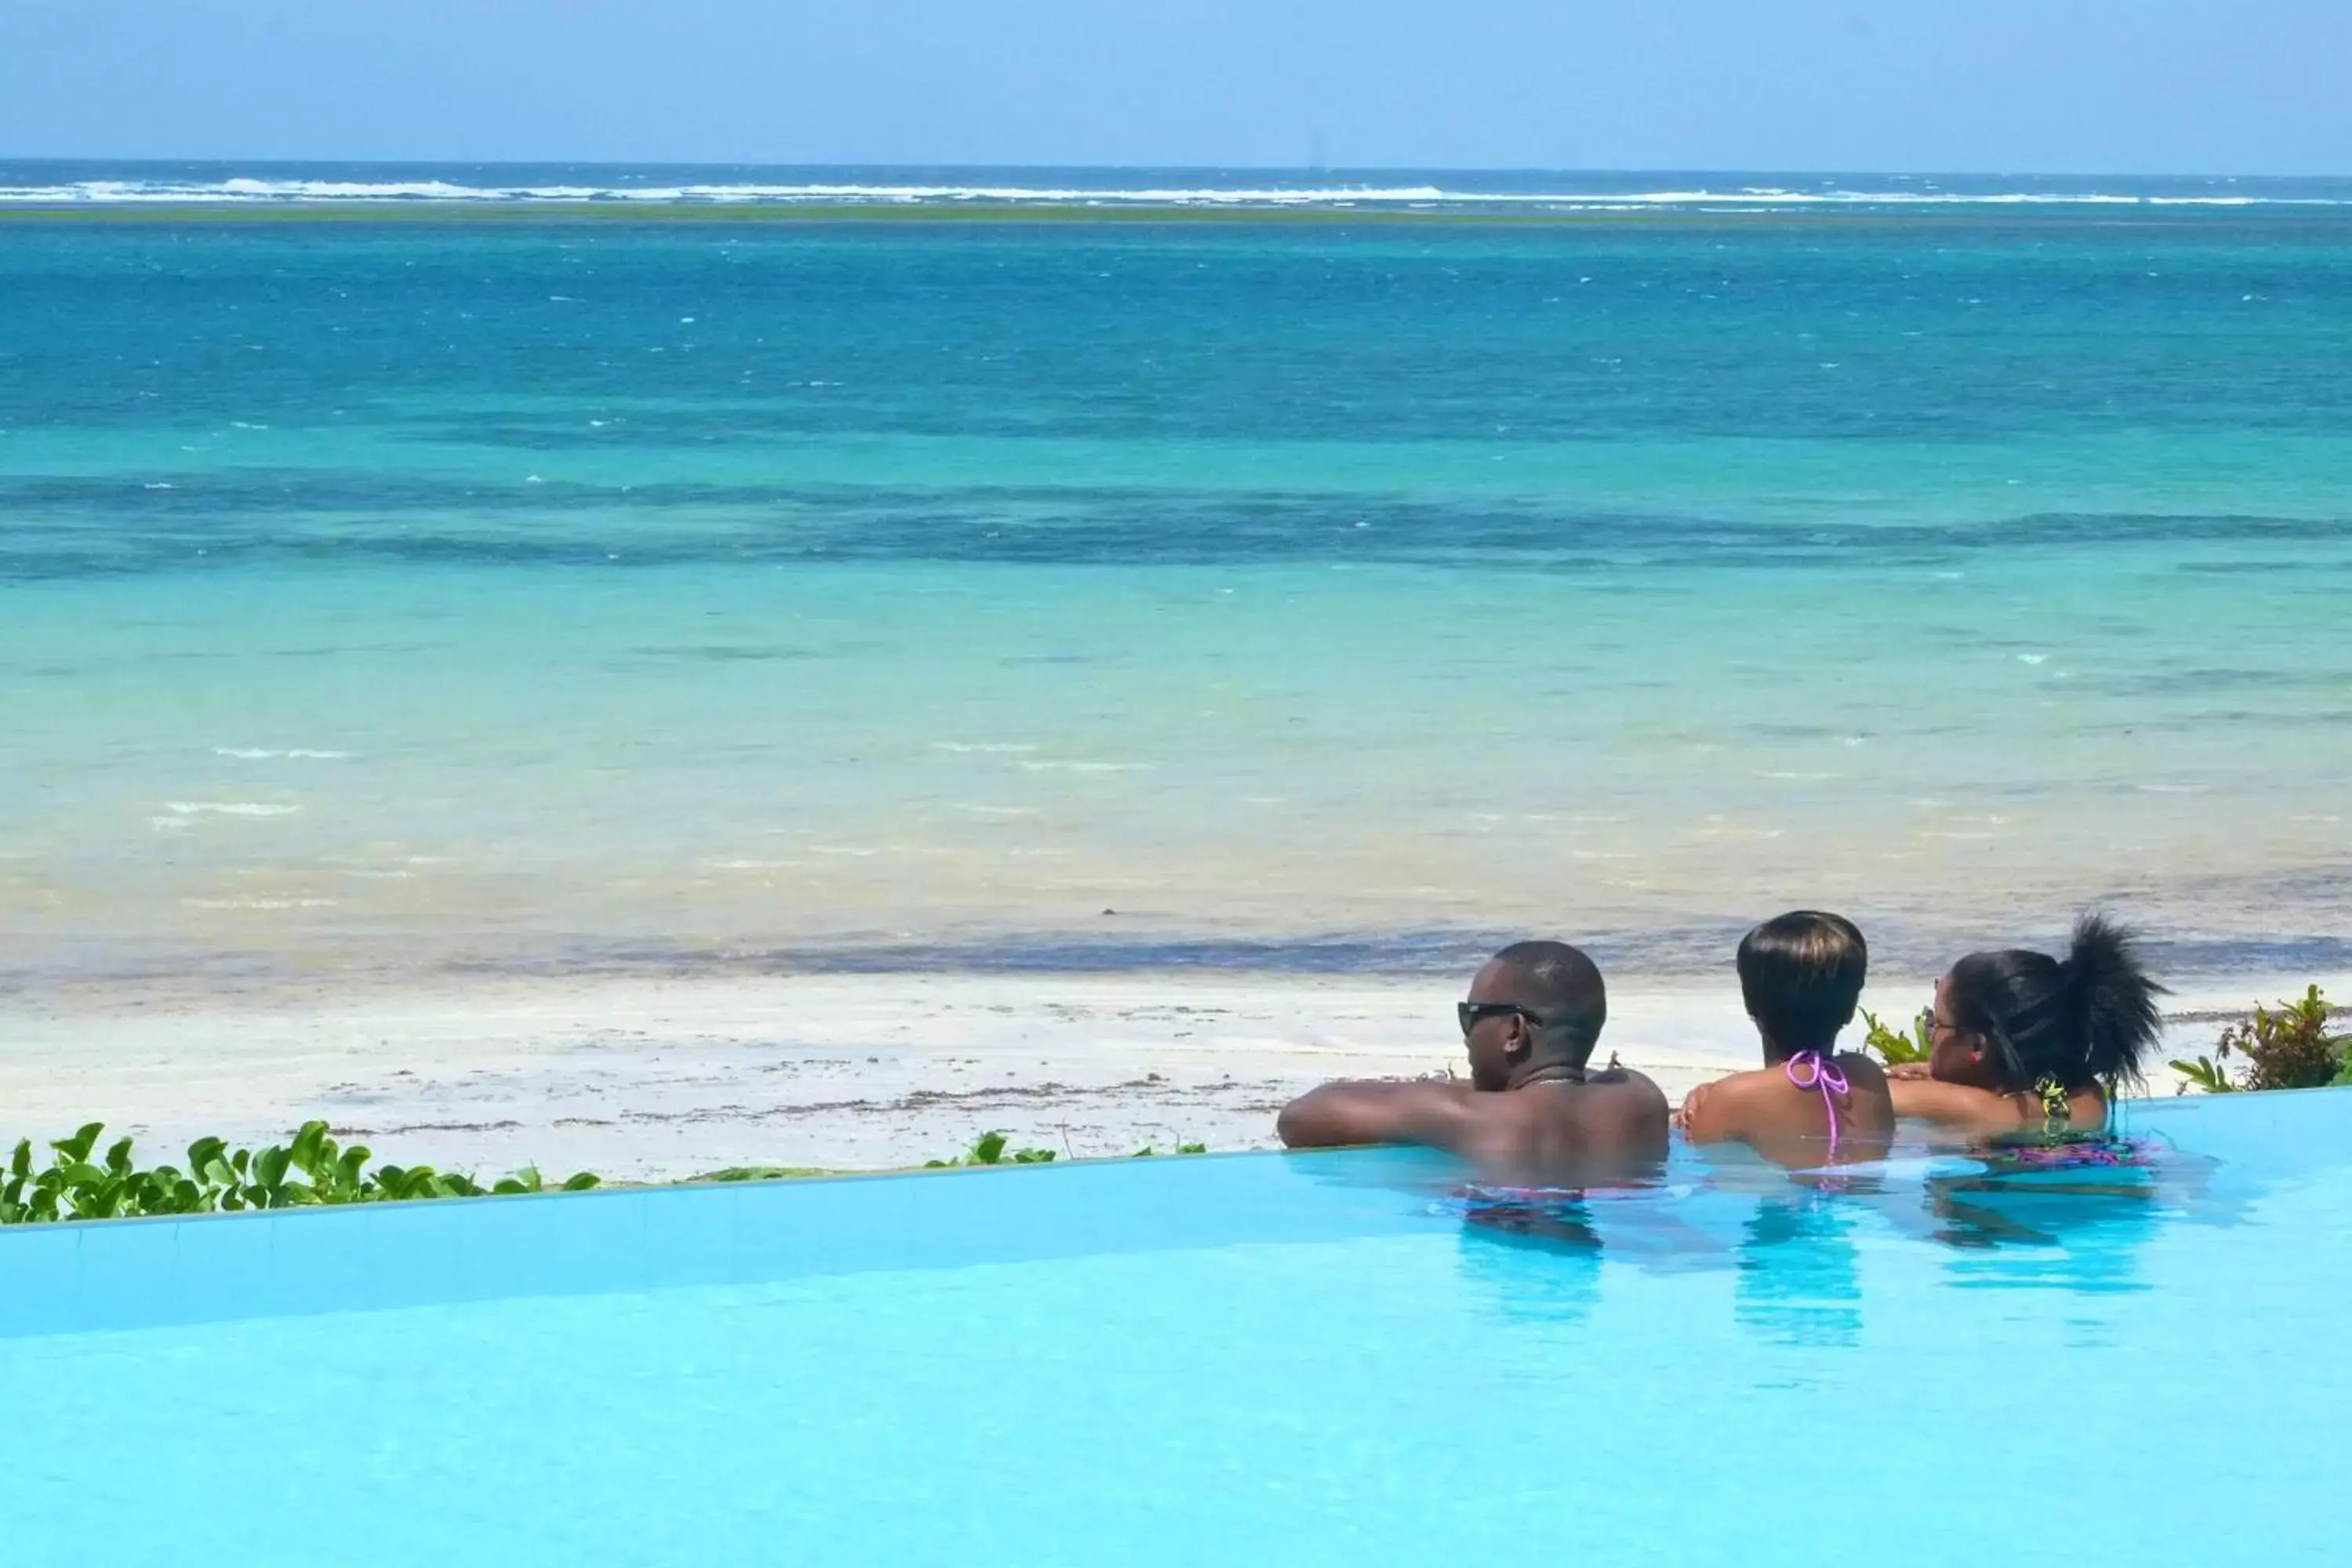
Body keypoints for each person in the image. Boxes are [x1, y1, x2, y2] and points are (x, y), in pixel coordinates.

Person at [1275, 940, 1668, 1185]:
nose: (1466, 1035)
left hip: (1510, 1250)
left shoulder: (1470, 1116)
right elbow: (1568, 1087)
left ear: (1514, 1031)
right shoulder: (1641, 1096)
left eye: (1471, 1016)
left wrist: (1438, 1089)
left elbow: (1299, 1117)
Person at [1889, 913, 2165, 1138]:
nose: (1930, 1035)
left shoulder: (1972, 1109)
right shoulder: (2088, 1102)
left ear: (1976, 1046)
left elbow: (1855, 1093)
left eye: (1934, 1023)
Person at [1678, 910, 1892, 1169]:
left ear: (1750, 1003)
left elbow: (1704, 1175)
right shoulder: (1867, 1077)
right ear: (1851, 1008)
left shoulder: (1733, 1097)